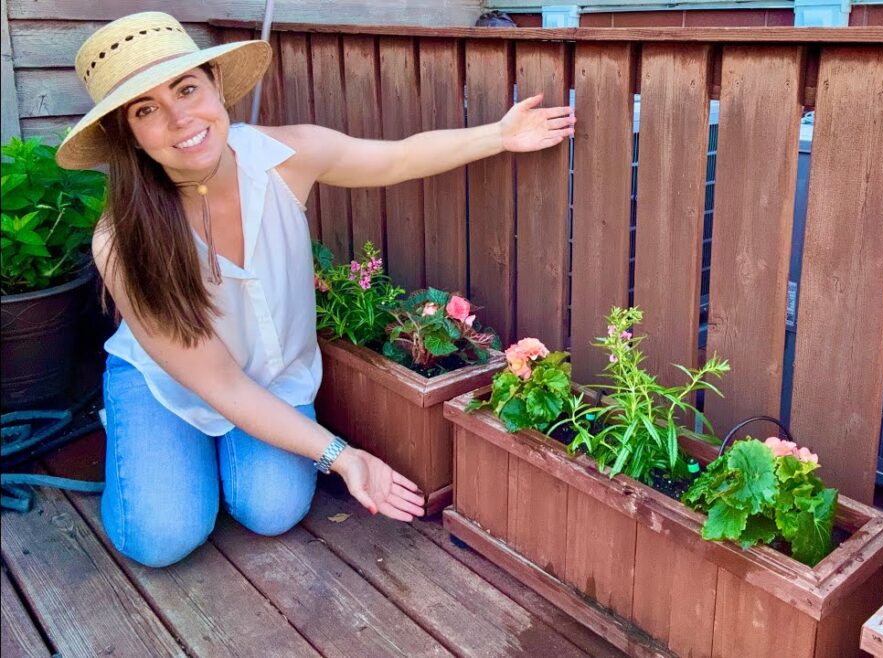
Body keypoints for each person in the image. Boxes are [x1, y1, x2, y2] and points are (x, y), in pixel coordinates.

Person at [55, 11, 575, 568]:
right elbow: (219, 383)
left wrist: (499, 135)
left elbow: (398, 157)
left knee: (273, 508)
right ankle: (143, 438)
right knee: (163, 538)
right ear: (128, 135)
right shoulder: (121, 241)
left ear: (215, 85)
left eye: (186, 89)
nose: (180, 118)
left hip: (272, 376)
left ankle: (201, 461)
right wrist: (343, 457)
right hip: (174, 386)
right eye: (146, 110)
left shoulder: (284, 159)